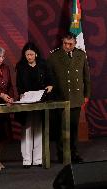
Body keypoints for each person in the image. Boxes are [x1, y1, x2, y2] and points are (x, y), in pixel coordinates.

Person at [47, 32, 91, 163]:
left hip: (76, 97)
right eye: (65, 43)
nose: (67, 46)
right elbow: (49, 77)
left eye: (70, 44)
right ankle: (62, 154)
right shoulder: (54, 56)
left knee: (73, 127)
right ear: (62, 42)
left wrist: (87, 95)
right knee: (61, 128)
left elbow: (86, 77)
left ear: (75, 43)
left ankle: (74, 153)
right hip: (61, 96)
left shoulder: (81, 55)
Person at [16, 42, 53, 168]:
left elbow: (50, 80)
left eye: (31, 54)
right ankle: (26, 159)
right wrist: (21, 94)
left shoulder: (43, 65)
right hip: (26, 100)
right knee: (27, 129)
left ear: (36, 54)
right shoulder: (20, 67)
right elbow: (19, 85)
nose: (29, 57)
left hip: (40, 100)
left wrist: (50, 86)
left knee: (38, 128)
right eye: (27, 54)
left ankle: (37, 159)